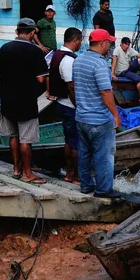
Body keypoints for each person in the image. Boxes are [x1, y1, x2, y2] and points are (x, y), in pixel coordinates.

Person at [0, 18, 49, 184]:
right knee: (26, 139)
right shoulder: (35, 51)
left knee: (13, 136)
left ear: (17, 31)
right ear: (32, 32)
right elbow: (41, 80)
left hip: (7, 98)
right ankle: (28, 173)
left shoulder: (4, 48)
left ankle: (16, 169)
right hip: (26, 100)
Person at [73, 29, 122, 199]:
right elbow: (106, 93)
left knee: (84, 154)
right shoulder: (100, 64)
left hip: (81, 117)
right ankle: (103, 190)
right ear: (102, 43)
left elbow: (74, 86)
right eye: (109, 42)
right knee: (104, 157)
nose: (110, 45)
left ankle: (86, 186)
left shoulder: (78, 60)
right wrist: (116, 115)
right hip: (99, 120)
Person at [49, 27, 82, 183]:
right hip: (70, 105)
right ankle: (75, 175)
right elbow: (71, 86)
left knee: (69, 140)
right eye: (80, 40)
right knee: (75, 142)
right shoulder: (68, 59)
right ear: (75, 40)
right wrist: (79, 106)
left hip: (61, 103)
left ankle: (69, 174)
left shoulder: (57, 55)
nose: (81, 43)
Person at [111, 37, 140, 105]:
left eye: (128, 44)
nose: (127, 46)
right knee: (139, 79)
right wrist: (113, 74)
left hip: (128, 69)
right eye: (125, 44)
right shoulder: (117, 50)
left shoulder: (129, 49)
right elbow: (114, 62)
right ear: (121, 44)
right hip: (122, 72)